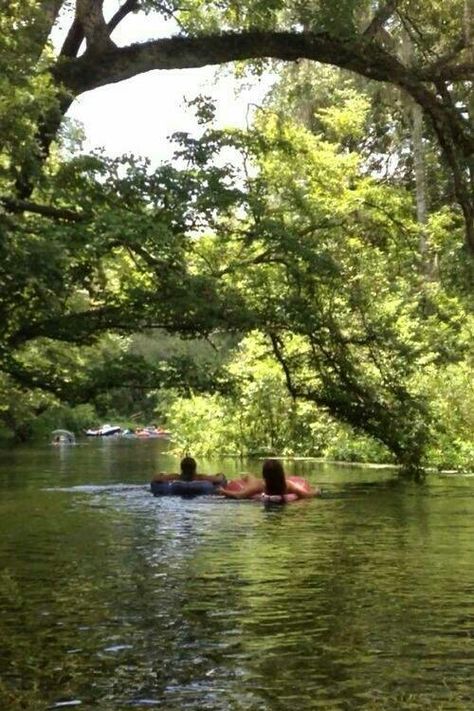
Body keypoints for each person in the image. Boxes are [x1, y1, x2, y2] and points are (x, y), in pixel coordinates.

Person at [218, 458, 321, 502]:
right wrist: (317, 491)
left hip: (256, 488)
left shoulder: (261, 486)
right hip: (278, 491)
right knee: (251, 477)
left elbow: (240, 495)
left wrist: (224, 491)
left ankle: (241, 478)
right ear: (281, 474)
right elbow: (307, 495)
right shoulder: (287, 486)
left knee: (249, 476)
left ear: (264, 474)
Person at [151, 456, 226, 485]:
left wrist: (161, 473)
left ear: (181, 468)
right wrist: (220, 474)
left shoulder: (176, 477)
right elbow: (218, 479)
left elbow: (156, 478)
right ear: (194, 467)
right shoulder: (200, 477)